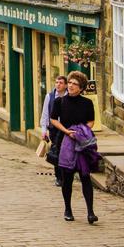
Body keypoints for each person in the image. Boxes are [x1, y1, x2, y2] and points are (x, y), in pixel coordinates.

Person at [50, 71, 98, 224]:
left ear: (81, 88)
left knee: (85, 176)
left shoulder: (87, 103)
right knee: (67, 177)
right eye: (69, 83)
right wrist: (66, 131)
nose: (70, 86)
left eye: (74, 84)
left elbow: (91, 121)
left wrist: (82, 131)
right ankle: (68, 209)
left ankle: (90, 212)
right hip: (66, 142)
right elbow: (53, 119)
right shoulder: (60, 102)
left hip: (82, 143)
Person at [39, 75, 68, 186]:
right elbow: (45, 114)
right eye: (56, 82)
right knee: (57, 152)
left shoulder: (69, 96)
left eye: (61, 82)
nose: (58, 84)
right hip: (54, 129)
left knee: (65, 152)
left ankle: (65, 175)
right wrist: (43, 130)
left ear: (65, 85)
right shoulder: (49, 96)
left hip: (66, 128)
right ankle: (59, 177)